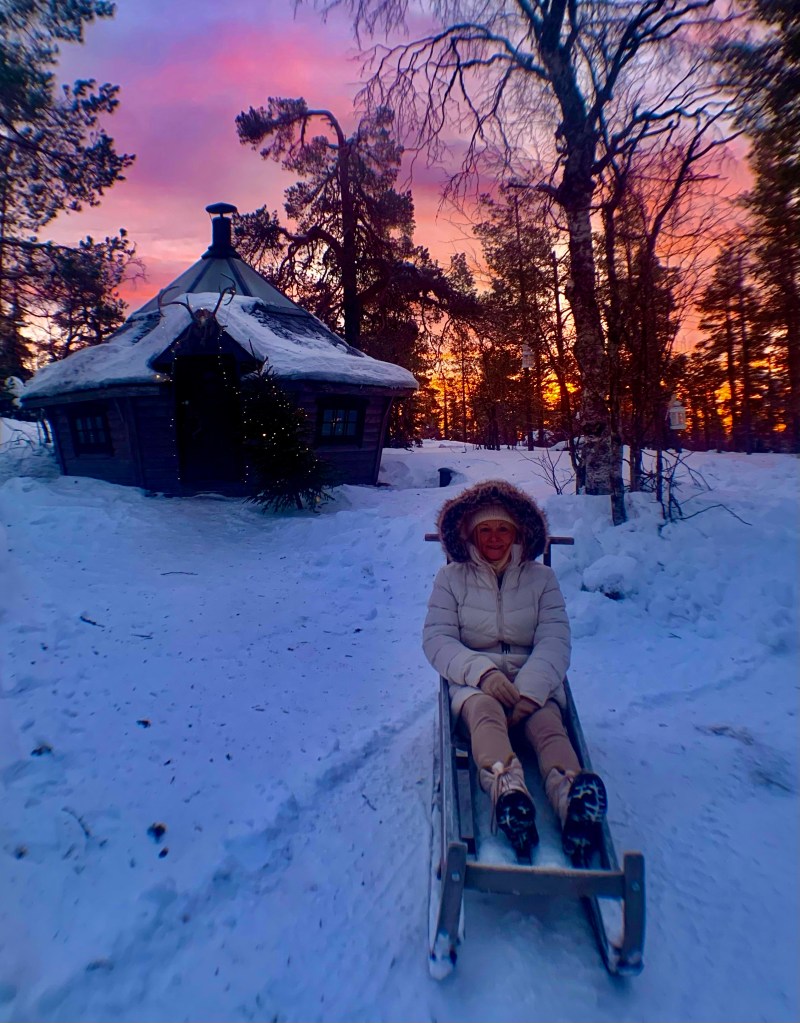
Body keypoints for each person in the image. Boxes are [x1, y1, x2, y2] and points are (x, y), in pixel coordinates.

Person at [423, 479, 607, 864]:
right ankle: (509, 794)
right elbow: (438, 640)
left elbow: (555, 639)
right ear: (470, 534)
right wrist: (483, 674)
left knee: (548, 725)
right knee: (485, 715)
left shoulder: (542, 580)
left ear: (518, 532)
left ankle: (572, 796)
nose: (494, 538)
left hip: (532, 679)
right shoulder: (451, 579)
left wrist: (530, 692)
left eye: (503, 529)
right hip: (476, 682)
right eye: (485, 530)